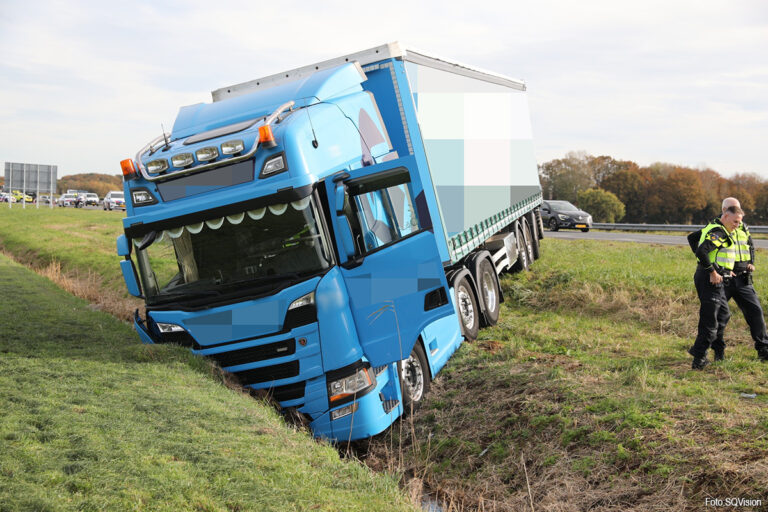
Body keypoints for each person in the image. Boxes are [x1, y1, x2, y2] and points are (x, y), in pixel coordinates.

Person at [689, 205, 742, 369]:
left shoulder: (716, 228)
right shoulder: (719, 232)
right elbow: (702, 252)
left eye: (739, 223)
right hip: (709, 280)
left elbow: (692, 238)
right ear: (725, 216)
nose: (737, 225)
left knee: (723, 316)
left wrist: (724, 270)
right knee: (710, 322)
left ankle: (712, 351)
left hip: (716, 278)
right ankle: (699, 358)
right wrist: (711, 271)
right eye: (735, 222)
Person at [715, 198, 768, 362]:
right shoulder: (717, 228)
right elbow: (705, 251)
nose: (737, 211)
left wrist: (751, 262)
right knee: (720, 317)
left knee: (756, 312)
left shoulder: (743, 226)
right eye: (733, 208)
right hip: (724, 279)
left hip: (743, 277)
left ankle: (764, 350)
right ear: (724, 210)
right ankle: (719, 352)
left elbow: (750, 246)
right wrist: (718, 270)